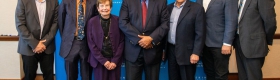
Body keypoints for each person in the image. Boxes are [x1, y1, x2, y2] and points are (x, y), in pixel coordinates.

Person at [118, 0, 169, 79]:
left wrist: (151, 38)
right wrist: (140, 40)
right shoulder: (127, 1)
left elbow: (165, 24)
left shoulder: (161, 2)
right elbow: (123, 22)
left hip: (153, 51)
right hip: (133, 51)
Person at [233, 0, 277, 80]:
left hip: (254, 45)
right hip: (238, 42)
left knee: (253, 77)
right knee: (243, 77)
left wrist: (263, 40)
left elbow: (270, 23)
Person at [15, 0, 58, 79]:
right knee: (29, 77)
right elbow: (20, 25)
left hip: (47, 46)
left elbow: (55, 23)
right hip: (28, 46)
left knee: (49, 76)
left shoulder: (54, 2)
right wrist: (35, 44)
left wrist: (44, 43)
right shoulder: (23, 1)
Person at [196, 0, 238, 79]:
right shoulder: (199, 0)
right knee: (209, 73)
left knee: (221, 74)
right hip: (203, 44)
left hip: (220, 44)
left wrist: (227, 43)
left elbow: (231, 21)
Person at [58, 0, 98, 79]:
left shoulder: (93, 2)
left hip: (87, 44)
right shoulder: (66, 2)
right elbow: (60, 22)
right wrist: (67, 37)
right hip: (70, 44)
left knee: (86, 75)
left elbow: (96, 23)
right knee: (70, 76)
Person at [166, 0, 205, 80]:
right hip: (171, 51)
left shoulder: (197, 8)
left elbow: (200, 33)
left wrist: (196, 52)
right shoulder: (168, 8)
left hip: (187, 53)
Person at [87, 0, 124, 80]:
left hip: (114, 61)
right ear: (98, 8)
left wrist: (115, 60)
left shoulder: (118, 20)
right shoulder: (91, 22)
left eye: (107, 5)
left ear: (110, 7)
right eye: (102, 6)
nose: (104, 8)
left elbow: (122, 42)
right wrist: (104, 61)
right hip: (99, 61)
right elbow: (91, 43)